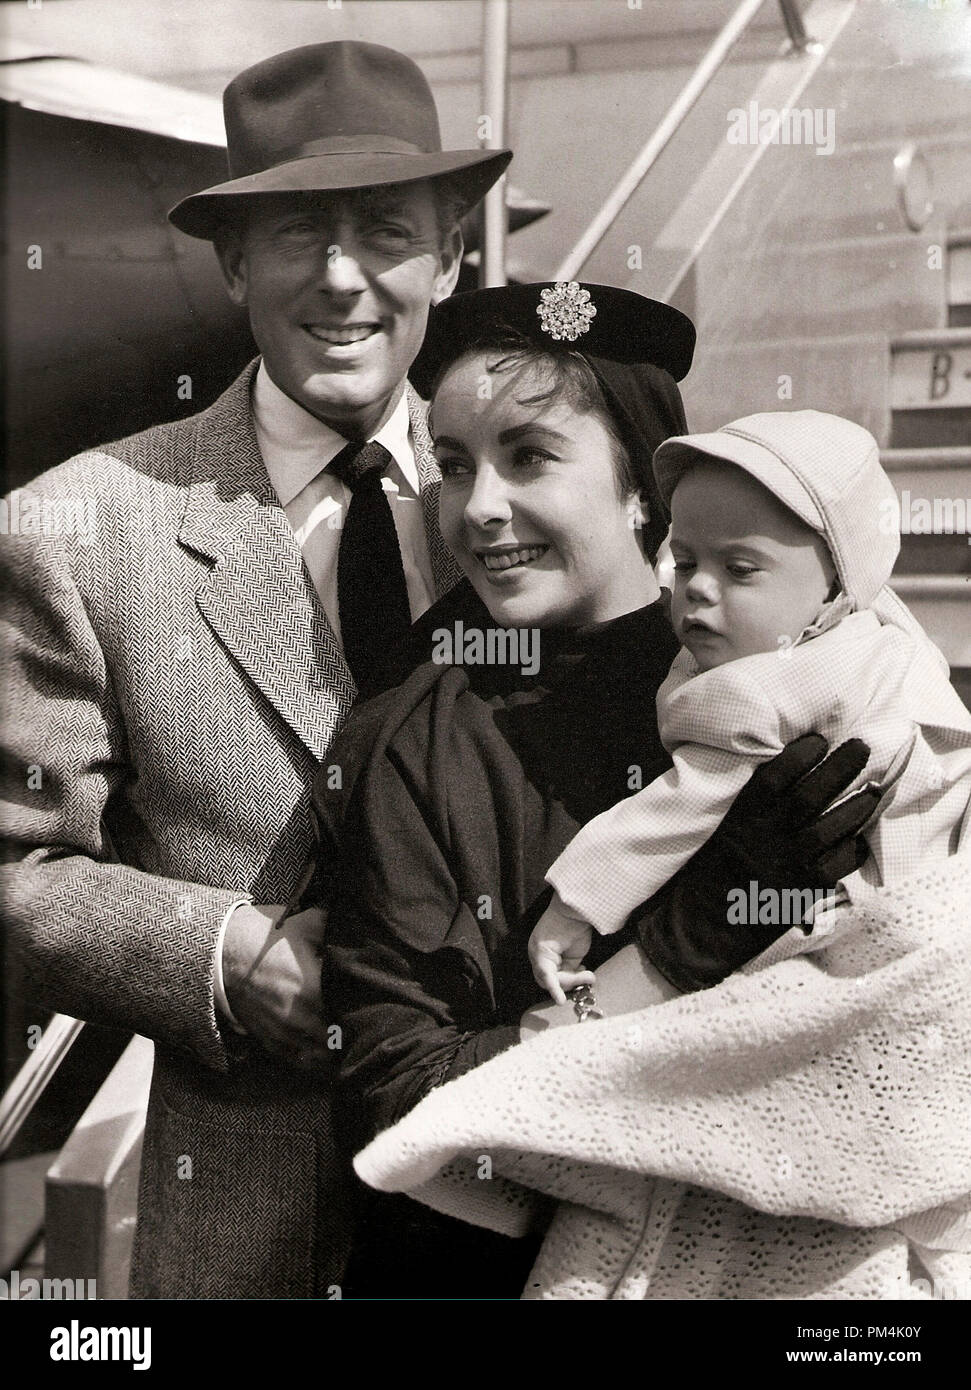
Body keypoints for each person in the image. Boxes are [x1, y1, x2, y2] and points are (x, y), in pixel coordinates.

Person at [0, 41, 509, 1299]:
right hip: (243, 1234)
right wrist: (222, 951)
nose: (341, 279)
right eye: (294, 237)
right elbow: (21, 867)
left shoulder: (528, 506)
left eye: (385, 230)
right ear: (233, 263)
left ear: (449, 255)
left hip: (526, 1206)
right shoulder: (78, 524)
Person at [313, 283, 881, 1298]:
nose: (476, 506)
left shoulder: (811, 696)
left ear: (639, 488)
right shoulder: (411, 737)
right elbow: (397, 1091)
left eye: (527, 456)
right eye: (451, 466)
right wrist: (679, 950)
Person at [529, 410, 971, 1003]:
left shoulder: (760, 687)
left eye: (739, 569)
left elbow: (677, 808)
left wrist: (574, 904)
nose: (699, 587)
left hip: (886, 908)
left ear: (835, 590)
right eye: (684, 562)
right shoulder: (885, 632)